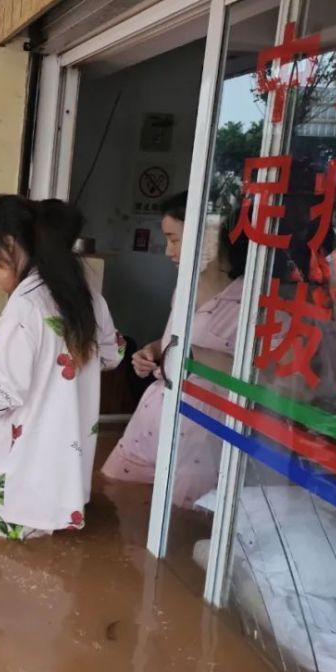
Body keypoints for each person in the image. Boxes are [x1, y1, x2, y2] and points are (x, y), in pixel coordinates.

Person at [0, 196, 122, 539]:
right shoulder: (89, 298)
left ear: (9, 246)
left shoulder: (24, 307)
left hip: (15, 494)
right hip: (65, 493)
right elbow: (113, 356)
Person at [101, 192, 247, 508]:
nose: (169, 251)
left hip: (201, 432)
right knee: (116, 492)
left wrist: (194, 358)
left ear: (208, 235)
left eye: (175, 239)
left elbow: (265, 379)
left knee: (177, 519)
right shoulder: (185, 286)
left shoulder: (249, 302)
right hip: (154, 417)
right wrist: (153, 352)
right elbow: (172, 341)